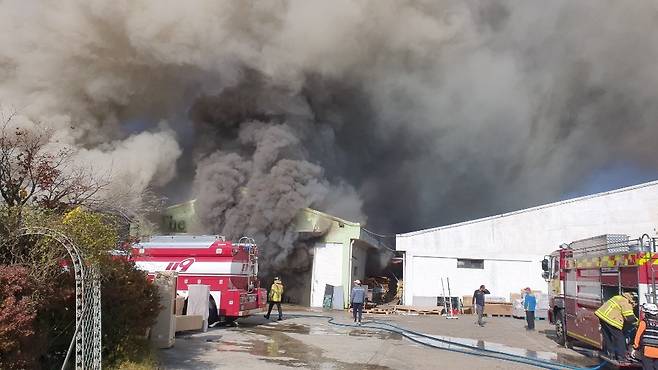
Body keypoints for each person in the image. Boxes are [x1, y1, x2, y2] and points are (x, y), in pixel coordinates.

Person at [595, 292, 638, 361]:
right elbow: (629, 317)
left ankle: (610, 354)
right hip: (611, 320)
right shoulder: (626, 302)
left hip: (602, 317)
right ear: (632, 299)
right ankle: (622, 357)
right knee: (620, 338)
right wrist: (638, 323)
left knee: (607, 336)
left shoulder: (618, 297)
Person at [633, 303, 658, 369]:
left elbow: (638, 335)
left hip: (647, 350)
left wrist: (635, 347)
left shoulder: (644, 322)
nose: (642, 314)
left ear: (647, 313)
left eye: (644, 312)